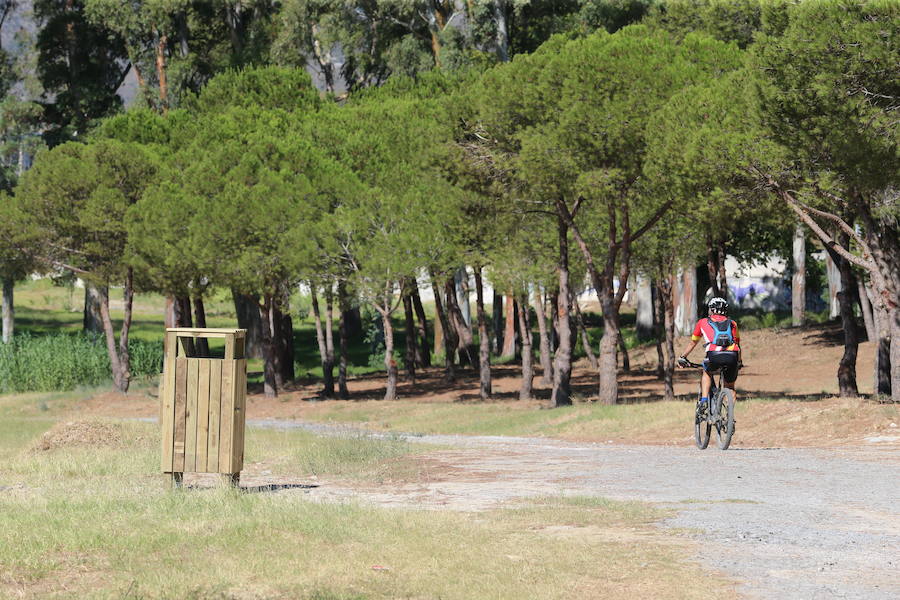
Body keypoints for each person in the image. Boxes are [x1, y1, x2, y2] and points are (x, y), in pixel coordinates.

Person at [677, 297, 742, 415]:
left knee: (707, 372)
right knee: (730, 387)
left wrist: (683, 357)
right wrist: (739, 361)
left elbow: (693, 342)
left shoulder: (702, 322)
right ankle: (730, 417)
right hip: (732, 355)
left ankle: (704, 401)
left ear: (711, 310)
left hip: (713, 354)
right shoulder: (733, 323)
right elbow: (737, 343)